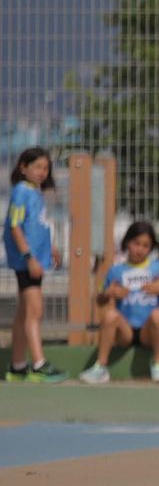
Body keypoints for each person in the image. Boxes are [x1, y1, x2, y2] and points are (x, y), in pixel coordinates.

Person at [82, 221, 159, 384]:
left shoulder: (158, 269)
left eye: (145, 245)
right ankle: (100, 367)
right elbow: (100, 300)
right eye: (136, 243)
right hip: (125, 331)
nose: (140, 249)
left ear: (151, 248)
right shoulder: (116, 271)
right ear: (127, 243)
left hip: (148, 332)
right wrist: (108, 293)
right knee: (110, 315)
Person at [6, 147, 64, 383]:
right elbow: (15, 225)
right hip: (26, 262)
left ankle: (18, 366)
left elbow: (37, 226)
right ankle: (39, 363)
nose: (42, 172)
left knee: (23, 314)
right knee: (35, 311)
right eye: (37, 167)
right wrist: (29, 257)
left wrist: (50, 248)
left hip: (36, 260)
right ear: (23, 167)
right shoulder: (21, 191)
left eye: (46, 168)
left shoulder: (35, 193)